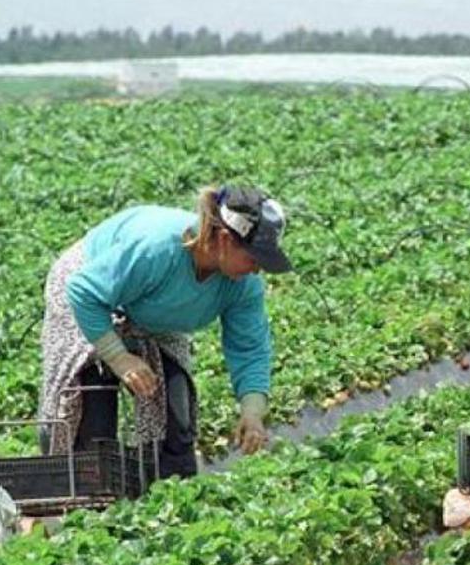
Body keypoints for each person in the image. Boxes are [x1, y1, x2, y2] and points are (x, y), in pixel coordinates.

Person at [39, 185, 292, 478]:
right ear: (224, 240)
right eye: (254, 259)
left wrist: (252, 411)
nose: (257, 270)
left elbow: (249, 346)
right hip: (90, 292)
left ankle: (168, 493)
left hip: (153, 311)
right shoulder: (157, 248)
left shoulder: (243, 284)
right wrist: (118, 358)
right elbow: (84, 293)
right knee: (92, 410)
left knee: (175, 413)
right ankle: (85, 498)